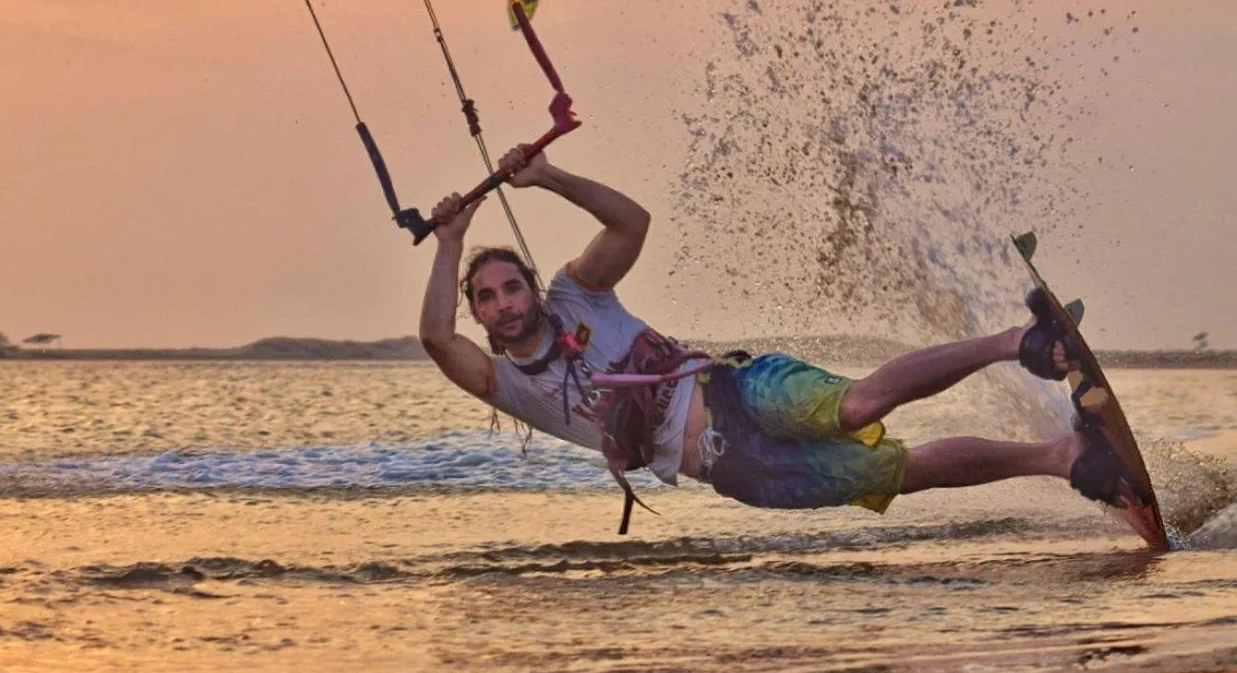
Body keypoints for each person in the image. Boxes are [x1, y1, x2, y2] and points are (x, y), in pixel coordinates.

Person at [418, 144, 1127, 532]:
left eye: (512, 288)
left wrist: (547, 178)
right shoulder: (505, 383)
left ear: (533, 289)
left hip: (734, 390)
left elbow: (630, 224)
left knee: (853, 408)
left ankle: (1018, 342)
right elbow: (433, 339)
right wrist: (449, 239)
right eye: (487, 299)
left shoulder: (579, 294)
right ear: (478, 316)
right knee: (899, 472)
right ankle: (1061, 455)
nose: (504, 304)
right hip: (731, 471)